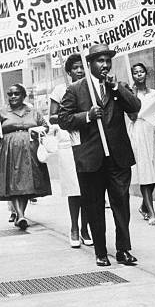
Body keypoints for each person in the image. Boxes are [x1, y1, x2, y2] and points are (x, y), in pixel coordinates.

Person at [58, 44, 141, 267]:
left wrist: (118, 89)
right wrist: (86, 115)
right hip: (91, 158)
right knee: (94, 206)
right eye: (99, 61)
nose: (105, 65)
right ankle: (101, 252)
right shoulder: (76, 89)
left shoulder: (117, 86)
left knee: (121, 204)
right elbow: (63, 119)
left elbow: (135, 107)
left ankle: (123, 250)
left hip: (118, 157)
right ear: (89, 64)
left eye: (107, 61)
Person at [0, 84, 51, 229]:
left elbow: (45, 126)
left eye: (16, 94)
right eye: (10, 94)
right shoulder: (2, 112)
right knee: (14, 181)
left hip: (30, 150)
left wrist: (38, 131)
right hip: (10, 151)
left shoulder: (33, 112)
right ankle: (21, 216)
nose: (13, 96)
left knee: (27, 182)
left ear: (23, 96)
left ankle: (20, 213)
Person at [49, 54, 93, 248]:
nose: (79, 71)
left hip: (89, 141)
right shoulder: (61, 89)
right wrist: (72, 117)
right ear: (68, 71)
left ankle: (85, 228)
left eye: (82, 67)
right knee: (73, 188)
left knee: (88, 187)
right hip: (68, 141)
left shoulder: (92, 88)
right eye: (75, 68)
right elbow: (51, 117)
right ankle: (74, 227)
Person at [127, 62, 155, 226]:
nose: (139, 75)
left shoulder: (154, 93)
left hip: (151, 130)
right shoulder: (130, 94)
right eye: (135, 73)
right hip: (138, 132)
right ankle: (151, 212)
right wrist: (132, 97)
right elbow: (132, 116)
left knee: (153, 170)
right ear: (133, 75)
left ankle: (144, 205)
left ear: (146, 74)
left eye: (141, 72)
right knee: (144, 170)